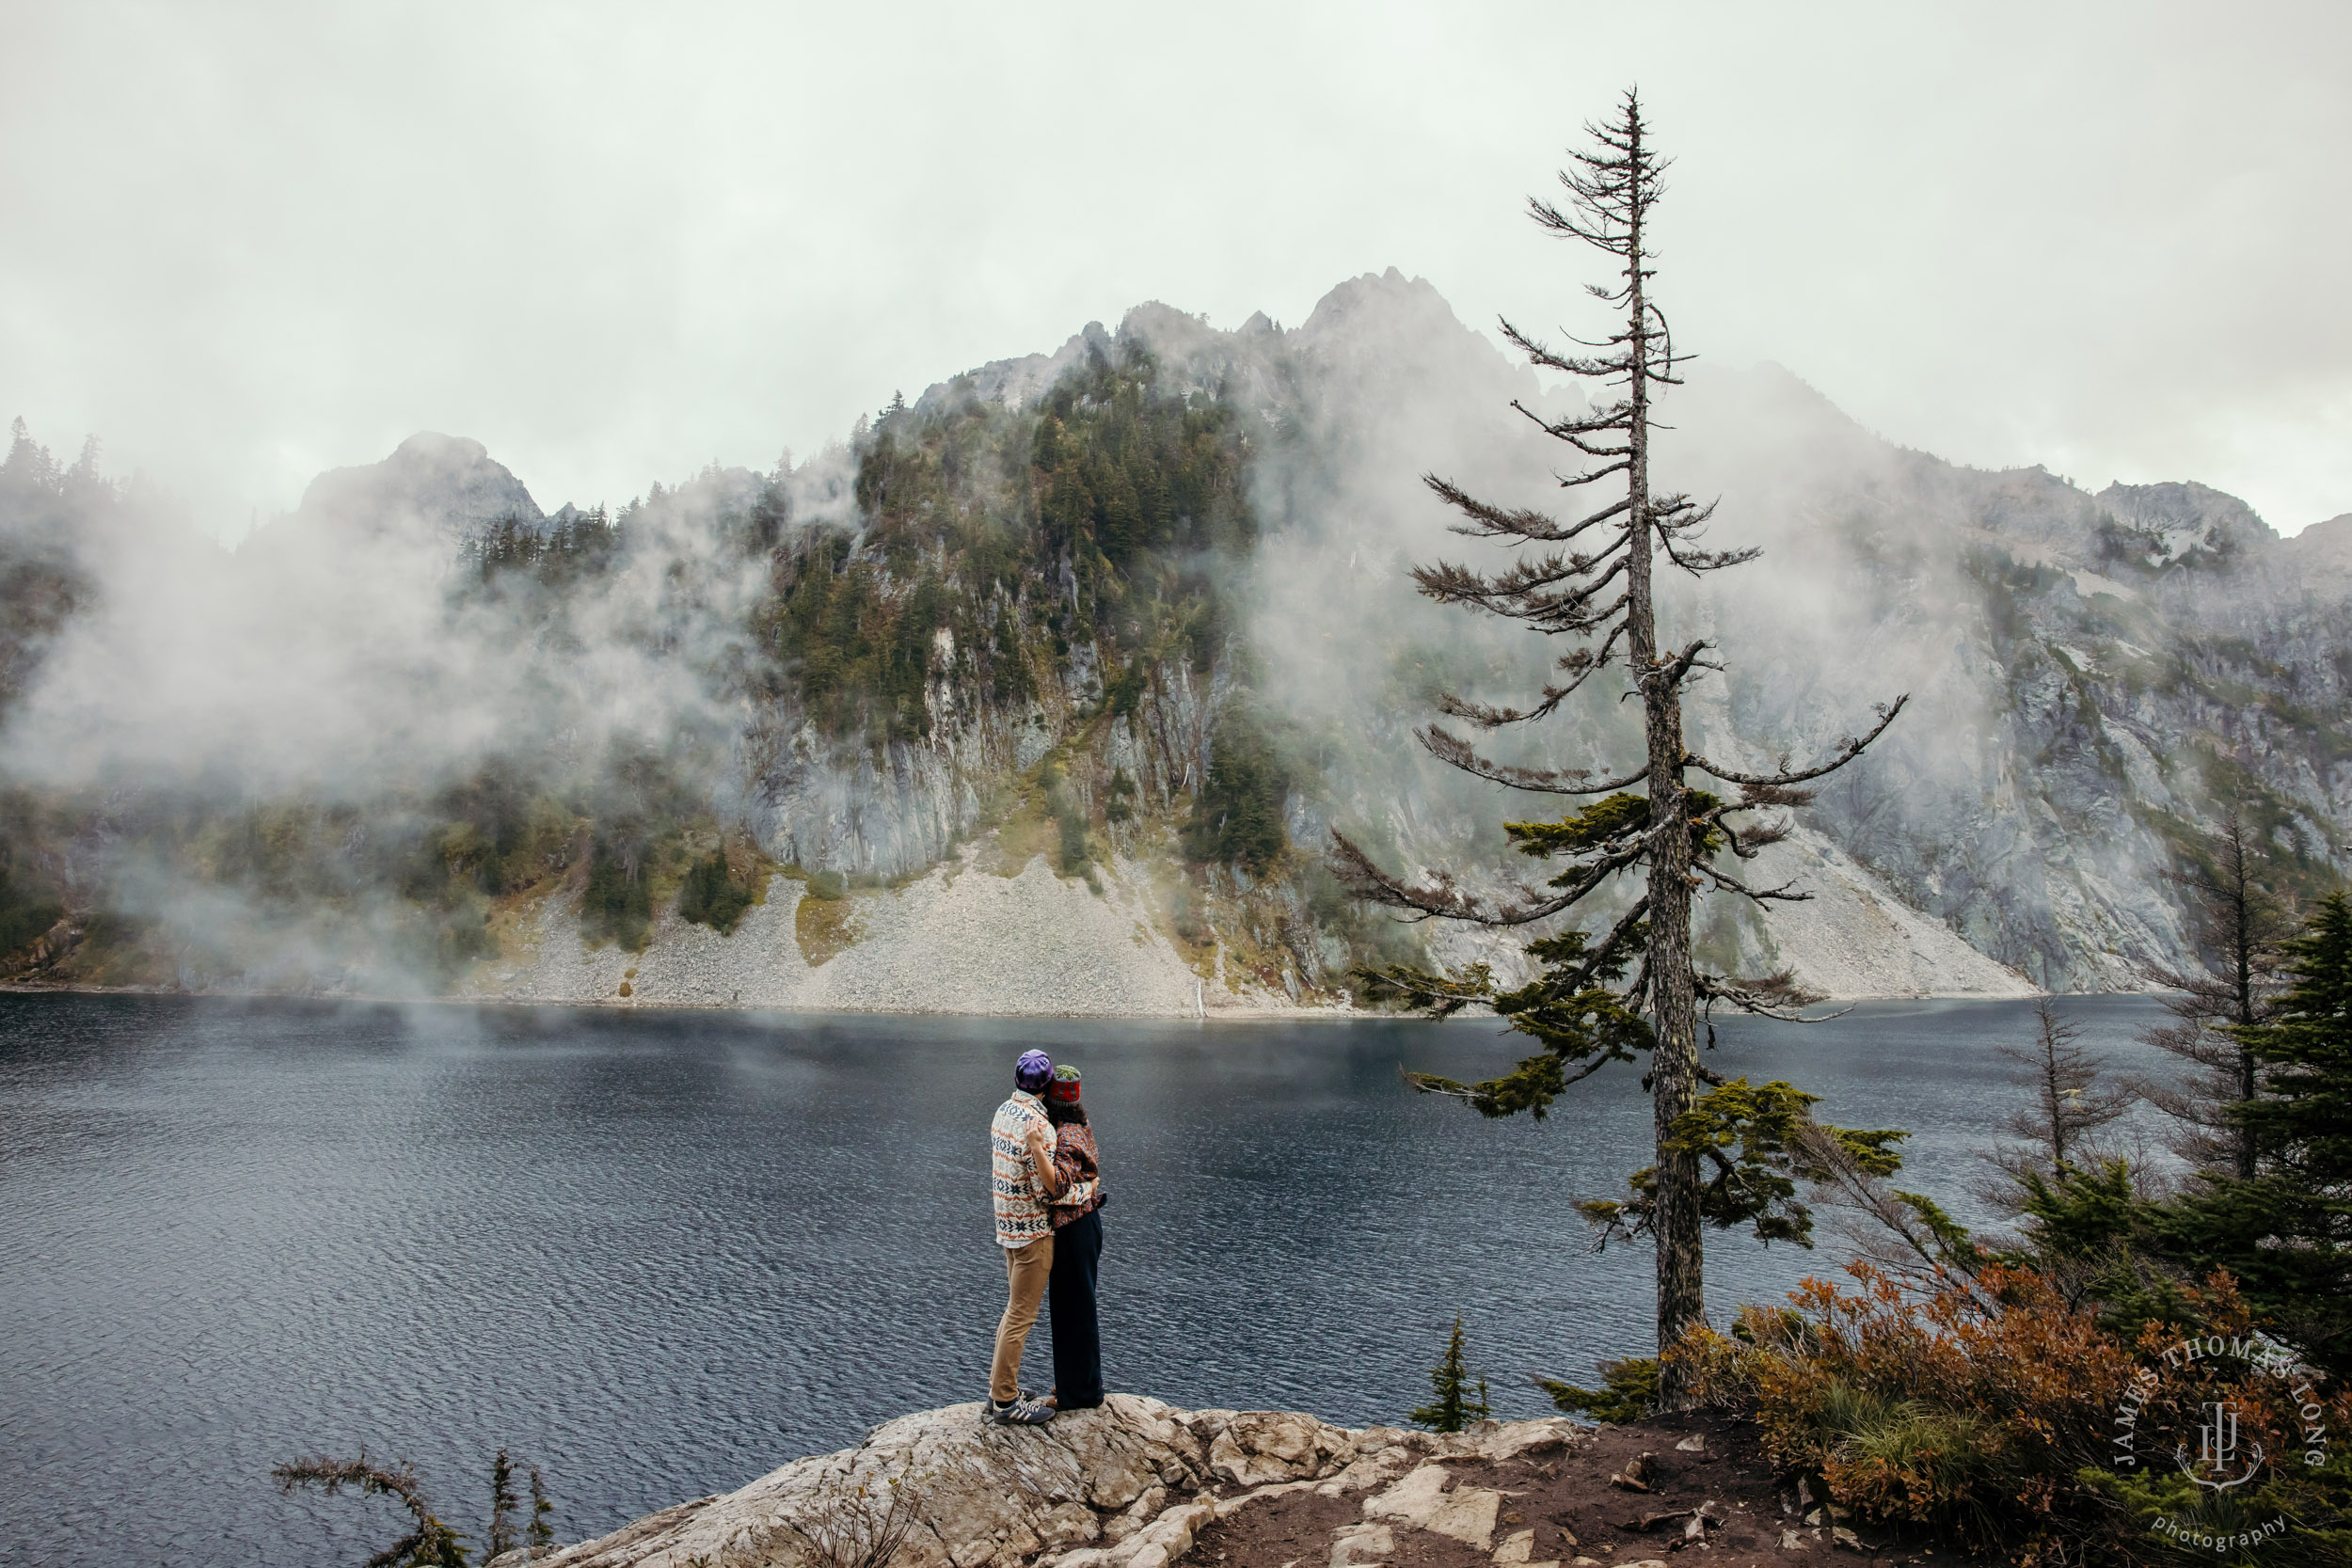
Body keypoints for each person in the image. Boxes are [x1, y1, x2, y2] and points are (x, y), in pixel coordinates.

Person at [986, 1049, 1062, 1426]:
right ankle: (1005, 1403)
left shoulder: (1003, 1111)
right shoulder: (1040, 1127)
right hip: (1034, 1232)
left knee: (1011, 1311)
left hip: (1007, 1228)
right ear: (1048, 1086)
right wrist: (1082, 1188)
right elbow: (1046, 1190)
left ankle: (999, 1389)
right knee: (1021, 1316)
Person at [1042, 1063, 1106, 1410]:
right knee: (1077, 1309)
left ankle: (1080, 1395)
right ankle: (1075, 1384)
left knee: (1073, 1312)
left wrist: (1038, 1153)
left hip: (1074, 1229)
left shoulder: (1064, 1136)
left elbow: (1059, 1186)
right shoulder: (1080, 1123)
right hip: (1087, 1225)